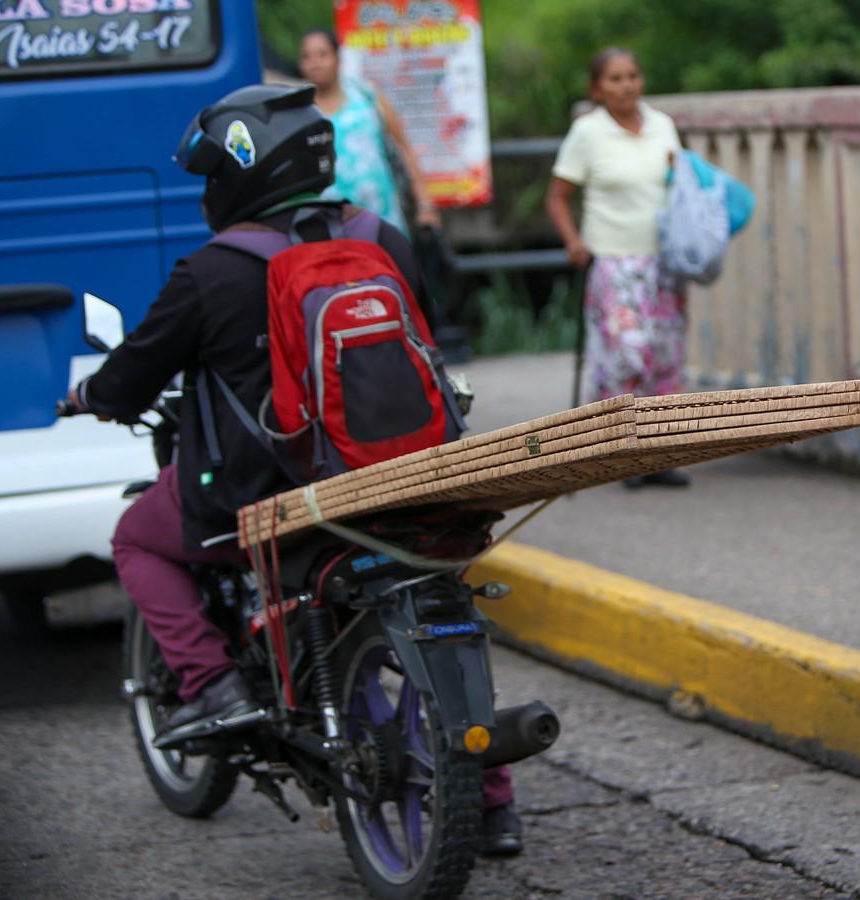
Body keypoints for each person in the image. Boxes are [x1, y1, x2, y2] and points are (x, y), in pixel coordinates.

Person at [67, 83, 521, 856]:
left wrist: (86, 396)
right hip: (399, 475)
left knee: (137, 538)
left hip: (270, 492)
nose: (210, 190)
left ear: (242, 173)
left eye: (213, 174)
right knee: (442, 599)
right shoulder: (382, 237)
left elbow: (131, 377)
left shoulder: (208, 272)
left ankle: (211, 682)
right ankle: (493, 798)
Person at [545, 47, 691, 488]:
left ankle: (661, 454)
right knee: (627, 355)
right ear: (596, 89)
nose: (626, 85)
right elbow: (558, 196)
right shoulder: (587, 133)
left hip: (663, 262)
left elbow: (679, 183)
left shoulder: (662, 125)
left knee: (665, 360)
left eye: (632, 76)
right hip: (613, 261)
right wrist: (574, 241)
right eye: (615, 78)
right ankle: (621, 452)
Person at [297, 28, 440, 237]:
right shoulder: (298, 112)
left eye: (323, 54)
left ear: (338, 57)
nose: (315, 63)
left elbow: (403, 147)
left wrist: (425, 204)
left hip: (383, 221)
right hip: (329, 231)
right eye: (307, 57)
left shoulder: (365, 97)